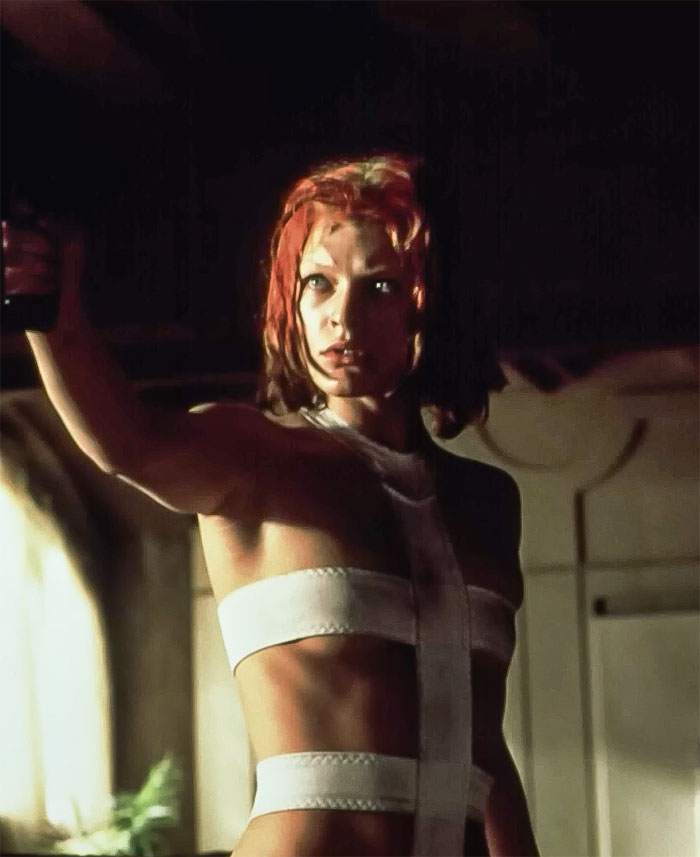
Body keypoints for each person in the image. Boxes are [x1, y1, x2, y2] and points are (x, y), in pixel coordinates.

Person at [3, 155, 539, 857]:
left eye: (379, 285)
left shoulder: (488, 502)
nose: (342, 316)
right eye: (319, 282)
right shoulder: (255, 458)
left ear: (430, 302)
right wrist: (50, 310)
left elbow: (483, 749)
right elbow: (125, 443)